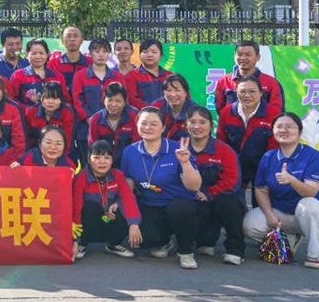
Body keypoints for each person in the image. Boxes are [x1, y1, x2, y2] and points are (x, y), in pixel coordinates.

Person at [242, 113, 319, 269]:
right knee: (248, 224)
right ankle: (289, 238)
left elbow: (310, 193)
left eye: (289, 127)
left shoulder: (313, 156)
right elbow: (261, 190)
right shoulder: (268, 157)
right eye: (279, 126)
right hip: (281, 214)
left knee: (309, 204)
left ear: (300, 132)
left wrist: (291, 179)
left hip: (312, 215)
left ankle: (316, 253)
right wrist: (270, 215)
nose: (283, 130)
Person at [120, 108, 206, 269]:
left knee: (180, 209)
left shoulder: (177, 149)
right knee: (144, 240)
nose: (148, 127)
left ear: (163, 127)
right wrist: (131, 220)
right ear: (137, 125)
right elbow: (128, 184)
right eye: (143, 123)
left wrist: (185, 162)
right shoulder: (130, 151)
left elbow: (194, 186)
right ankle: (166, 240)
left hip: (179, 204)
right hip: (150, 204)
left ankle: (185, 251)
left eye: (153, 124)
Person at [183, 107, 246, 265]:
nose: (197, 126)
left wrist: (210, 194)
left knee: (229, 203)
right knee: (205, 237)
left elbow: (232, 180)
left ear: (211, 125)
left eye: (202, 122)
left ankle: (235, 250)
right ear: (186, 125)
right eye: (192, 122)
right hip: (194, 199)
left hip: (220, 197)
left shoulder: (224, 150)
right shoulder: (180, 148)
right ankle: (198, 242)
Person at [71, 140, 141, 261]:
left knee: (123, 206)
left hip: (109, 218)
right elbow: (76, 206)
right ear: (89, 159)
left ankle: (113, 244)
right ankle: (82, 243)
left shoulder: (117, 175)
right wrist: (75, 240)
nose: (102, 162)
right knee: (90, 206)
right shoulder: (81, 177)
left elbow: (128, 198)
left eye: (107, 157)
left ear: (112, 160)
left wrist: (134, 224)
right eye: (97, 157)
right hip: (89, 223)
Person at [218, 75, 281, 205]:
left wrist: (266, 170)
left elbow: (274, 147)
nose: (247, 95)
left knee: (261, 204)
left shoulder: (273, 113)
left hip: (263, 165)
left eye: (252, 91)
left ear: (261, 93)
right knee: (232, 203)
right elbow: (222, 142)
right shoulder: (226, 112)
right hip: (235, 165)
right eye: (242, 91)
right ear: (236, 93)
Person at [71, 38, 123, 164]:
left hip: (112, 128)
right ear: (90, 54)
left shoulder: (117, 76)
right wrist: (90, 119)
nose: (101, 55)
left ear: (109, 54)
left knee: (111, 163)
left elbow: (123, 100)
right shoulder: (80, 76)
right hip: (85, 128)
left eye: (105, 51)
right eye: (97, 51)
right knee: (88, 163)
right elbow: (77, 100)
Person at [214, 40, 285, 114]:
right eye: (240, 54)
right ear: (234, 56)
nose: (243, 58)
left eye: (248, 55)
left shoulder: (271, 83)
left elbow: (277, 110)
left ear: (258, 57)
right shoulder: (224, 81)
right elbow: (220, 109)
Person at [87, 82, 138, 167]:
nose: (113, 104)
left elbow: (137, 145)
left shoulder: (135, 116)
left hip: (129, 162)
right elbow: (94, 146)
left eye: (118, 101)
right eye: (110, 100)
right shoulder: (95, 119)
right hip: (104, 164)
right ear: (104, 101)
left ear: (125, 102)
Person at [23, 82, 75, 155]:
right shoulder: (30, 112)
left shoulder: (67, 113)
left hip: (60, 152)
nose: (51, 102)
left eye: (55, 98)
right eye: (47, 98)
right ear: (41, 98)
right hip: (34, 151)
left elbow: (67, 141)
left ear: (61, 100)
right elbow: (26, 139)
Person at [10, 39, 65, 107]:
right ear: (26, 54)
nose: (38, 57)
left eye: (41, 53)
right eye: (34, 53)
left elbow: (64, 99)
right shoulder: (17, 75)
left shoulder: (58, 76)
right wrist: (29, 110)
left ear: (47, 54)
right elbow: (12, 100)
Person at [151, 74, 200, 142]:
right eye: (168, 90)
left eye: (177, 90)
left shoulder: (196, 111)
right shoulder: (155, 107)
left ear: (186, 92)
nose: (173, 94)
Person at [123, 39, 171, 108]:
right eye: (145, 52)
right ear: (140, 54)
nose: (149, 55)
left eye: (154, 52)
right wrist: (152, 110)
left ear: (161, 55)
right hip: (142, 113)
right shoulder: (131, 76)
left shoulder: (169, 76)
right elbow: (132, 100)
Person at [49, 27, 89, 93]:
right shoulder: (53, 64)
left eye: (75, 36)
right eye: (68, 36)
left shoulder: (91, 63)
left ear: (82, 40)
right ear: (62, 40)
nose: (72, 39)